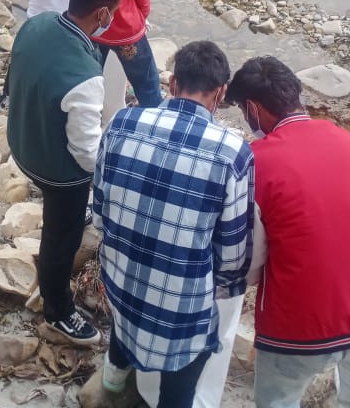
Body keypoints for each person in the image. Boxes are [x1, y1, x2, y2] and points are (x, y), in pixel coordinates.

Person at [93, 41, 255, 408]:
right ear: (221, 94)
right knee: (180, 388)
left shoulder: (122, 122)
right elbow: (231, 258)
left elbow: (100, 211)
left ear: (173, 83)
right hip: (180, 313)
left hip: (119, 284)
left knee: (125, 322)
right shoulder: (232, 153)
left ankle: (111, 385)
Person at [226, 56, 350, 408]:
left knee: (277, 400)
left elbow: (252, 258)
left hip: (300, 328)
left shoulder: (256, 160)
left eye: (242, 110)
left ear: (253, 108)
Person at [7, 0, 130, 346]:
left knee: (67, 217)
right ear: (103, 13)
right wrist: (115, 176)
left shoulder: (38, 24)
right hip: (58, 172)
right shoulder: (85, 76)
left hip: (23, 140)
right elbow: (85, 153)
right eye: (115, 11)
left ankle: (75, 216)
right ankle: (58, 310)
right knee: (61, 240)